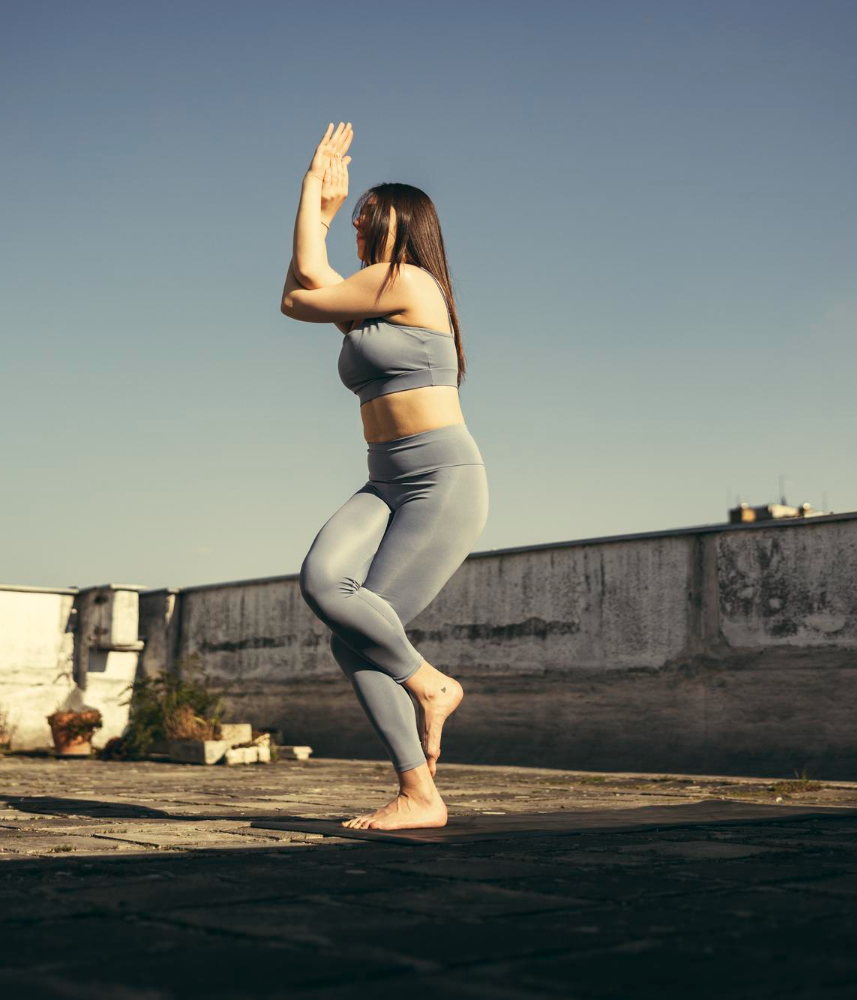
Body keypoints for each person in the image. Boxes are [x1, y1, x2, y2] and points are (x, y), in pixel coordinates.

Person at [280, 123, 489, 831]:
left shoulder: (407, 281)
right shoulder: (371, 297)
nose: (359, 215)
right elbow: (297, 296)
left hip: (441, 481)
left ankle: (419, 788)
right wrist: (324, 218)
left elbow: (310, 290)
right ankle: (427, 691)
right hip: (385, 480)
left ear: (402, 221)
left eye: (368, 210)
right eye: (355, 208)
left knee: (358, 632)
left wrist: (313, 194)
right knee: (323, 582)